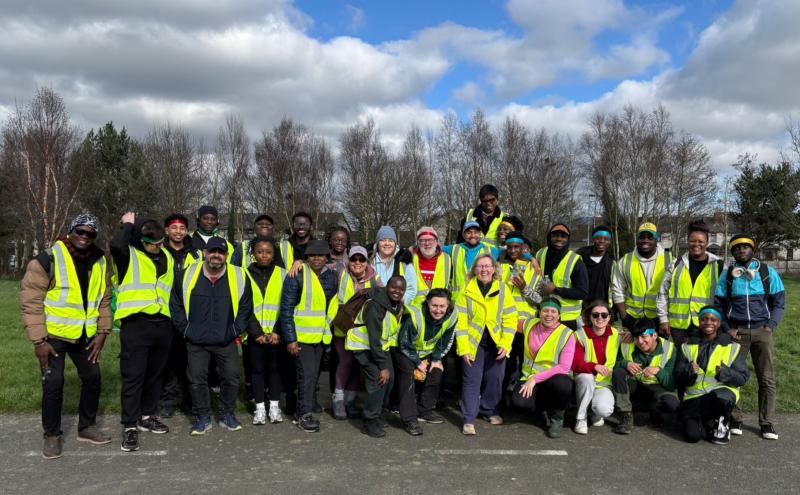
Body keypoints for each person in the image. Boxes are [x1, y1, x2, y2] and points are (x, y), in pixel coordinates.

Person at [20, 213, 112, 459]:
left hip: (85, 335)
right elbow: (31, 303)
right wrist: (39, 341)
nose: (84, 237)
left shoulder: (100, 261)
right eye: (80, 231)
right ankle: (52, 435)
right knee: (53, 383)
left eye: (90, 234)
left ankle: (87, 427)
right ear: (70, 231)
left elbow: (104, 299)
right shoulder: (47, 259)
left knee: (93, 378)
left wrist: (103, 332)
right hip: (53, 336)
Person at [170, 237, 253, 435]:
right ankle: (202, 417)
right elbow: (176, 304)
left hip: (226, 339)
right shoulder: (187, 274)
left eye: (221, 252)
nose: (216, 255)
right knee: (197, 380)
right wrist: (186, 329)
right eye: (212, 251)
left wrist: (235, 331)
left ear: (226, 255)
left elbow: (246, 307)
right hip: (196, 340)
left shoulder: (239, 275)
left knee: (231, 377)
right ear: (205, 253)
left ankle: (227, 414)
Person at [111, 212, 174, 452]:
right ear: (140, 240)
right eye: (149, 243)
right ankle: (129, 426)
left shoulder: (166, 256)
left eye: (158, 243)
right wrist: (128, 225)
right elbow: (116, 244)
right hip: (136, 324)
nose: (155, 247)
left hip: (163, 324)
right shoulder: (129, 256)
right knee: (133, 375)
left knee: (155, 375)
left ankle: (147, 417)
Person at [715, 234, 785, 440]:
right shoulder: (728, 275)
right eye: (737, 248)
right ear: (733, 252)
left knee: (767, 379)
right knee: (731, 375)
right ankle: (735, 418)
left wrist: (771, 326)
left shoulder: (766, 272)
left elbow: (779, 302)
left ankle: (767, 423)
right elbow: (719, 304)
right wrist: (727, 328)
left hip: (762, 331)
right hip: (737, 333)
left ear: (752, 250)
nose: (741, 250)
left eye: (745, 247)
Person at [279, 240, 339, 433]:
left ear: (327, 258)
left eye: (321, 255)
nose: (316, 258)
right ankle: (302, 415)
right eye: (312, 255)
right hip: (301, 338)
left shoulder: (332, 276)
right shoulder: (295, 275)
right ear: (306, 258)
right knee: (307, 375)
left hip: (320, 338)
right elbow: (286, 309)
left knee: (314, 375)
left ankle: (308, 404)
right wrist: (290, 339)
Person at [456, 254, 518, 435]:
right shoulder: (466, 290)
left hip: (496, 343)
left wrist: (506, 343)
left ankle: (489, 409)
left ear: (494, 269)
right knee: (471, 380)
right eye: (480, 266)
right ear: (474, 270)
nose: (484, 270)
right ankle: (468, 418)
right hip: (474, 343)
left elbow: (510, 318)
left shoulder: (503, 289)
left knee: (495, 379)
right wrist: (464, 348)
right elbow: (460, 323)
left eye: (487, 266)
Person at [675, 306, 749, 445]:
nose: (708, 322)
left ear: (719, 323)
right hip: (694, 398)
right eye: (704, 319)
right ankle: (707, 423)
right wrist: (689, 372)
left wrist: (725, 372)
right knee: (693, 436)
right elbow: (678, 376)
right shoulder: (687, 346)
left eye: (713, 320)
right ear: (699, 322)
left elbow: (743, 378)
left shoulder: (732, 347)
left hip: (719, 396)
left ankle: (722, 423)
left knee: (721, 396)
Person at [347, 277, 407, 437]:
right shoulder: (375, 305)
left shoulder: (397, 305)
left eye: (401, 289)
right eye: (394, 287)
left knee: (391, 379)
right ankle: (369, 420)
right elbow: (373, 338)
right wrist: (383, 366)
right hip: (364, 346)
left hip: (380, 348)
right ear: (387, 287)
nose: (397, 291)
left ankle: (378, 413)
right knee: (378, 380)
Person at [395, 288, 458, 435]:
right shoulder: (415, 316)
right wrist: (418, 362)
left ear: (448, 306)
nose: (438, 310)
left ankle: (425, 410)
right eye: (434, 305)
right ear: (428, 303)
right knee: (408, 375)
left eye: (442, 306)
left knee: (437, 371)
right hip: (405, 350)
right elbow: (403, 343)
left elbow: (446, 339)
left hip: (427, 352)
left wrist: (436, 359)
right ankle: (409, 419)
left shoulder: (453, 316)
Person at [512, 298, 575, 438]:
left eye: (553, 311)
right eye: (545, 310)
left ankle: (557, 418)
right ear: (539, 312)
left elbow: (564, 367)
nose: (549, 314)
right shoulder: (529, 324)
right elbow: (509, 321)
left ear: (559, 315)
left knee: (563, 385)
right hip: (530, 377)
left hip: (553, 378)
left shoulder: (567, 334)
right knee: (519, 403)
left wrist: (535, 378)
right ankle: (541, 409)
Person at [331, 246, 381, 420]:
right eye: (354, 259)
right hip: (342, 329)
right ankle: (338, 400)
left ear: (367, 261)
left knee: (356, 364)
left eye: (361, 259)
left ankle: (350, 402)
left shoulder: (375, 280)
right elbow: (317, 266)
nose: (357, 263)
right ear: (348, 261)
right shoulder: (339, 272)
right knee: (345, 361)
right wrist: (300, 262)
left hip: (361, 332)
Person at [657, 220, 723, 345]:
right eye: (693, 241)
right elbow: (662, 293)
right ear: (687, 241)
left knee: (703, 361)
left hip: (706, 324)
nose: (696, 244)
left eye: (700, 241)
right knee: (681, 360)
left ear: (707, 243)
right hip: (679, 326)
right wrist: (663, 320)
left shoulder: (718, 265)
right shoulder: (675, 264)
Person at [245, 237, 287, 425]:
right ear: (253, 253)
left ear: (274, 254)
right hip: (255, 336)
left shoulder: (283, 274)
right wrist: (256, 333)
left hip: (277, 334)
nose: (264, 255)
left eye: (268, 252)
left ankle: (275, 407)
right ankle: (260, 408)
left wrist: (278, 331)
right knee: (257, 370)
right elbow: (243, 306)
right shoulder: (244, 274)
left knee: (276, 370)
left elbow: (287, 306)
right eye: (260, 251)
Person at [160, 213, 198, 418]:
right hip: (164, 313)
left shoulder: (195, 254)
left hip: (188, 313)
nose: (178, 232)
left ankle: (189, 401)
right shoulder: (159, 251)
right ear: (167, 230)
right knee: (167, 360)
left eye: (182, 228)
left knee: (189, 359)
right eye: (174, 228)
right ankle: (168, 400)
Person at [612, 319, 679, 435]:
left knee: (672, 403)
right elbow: (614, 364)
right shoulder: (627, 344)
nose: (640, 341)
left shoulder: (670, 349)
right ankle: (625, 414)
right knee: (619, 372)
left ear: (654, 335)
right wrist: (626, 364)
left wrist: (659, 371)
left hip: (658, 387)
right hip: (636, 384)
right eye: (636, 337)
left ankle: (655, 412)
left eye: (644, 337)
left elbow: (671, 384)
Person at [611, 223, 673, 332]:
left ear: (656, 240)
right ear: (637, 239)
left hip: (659, 319)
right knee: (630, 349)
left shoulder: (670, 260)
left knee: (659, 349)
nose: (645, 240)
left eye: (650, 237)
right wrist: (624, 317)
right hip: (632, 318)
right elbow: (617, 290)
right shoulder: (625, 261)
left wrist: (665, 319)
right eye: (642, 237)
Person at [571, 300, 619, 435]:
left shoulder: (616, 334)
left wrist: (631, 335)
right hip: (584, 378)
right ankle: (581, 418)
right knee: (586, 378)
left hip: (604, 383)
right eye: (595, 315)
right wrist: (594, 366)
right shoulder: (579, 334)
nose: (600, 318)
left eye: (604, 315)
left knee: (604, 410)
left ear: (609, 317)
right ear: (589, 317)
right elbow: (575, 363)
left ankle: (594, 412)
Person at [536, 223, 588, 330]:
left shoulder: (575, 261)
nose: (559, 239)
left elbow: (582, 293)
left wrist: (556, 289)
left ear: (568, 239)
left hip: (566, 320)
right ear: (549, 237)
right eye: (555, 235)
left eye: (563, 236)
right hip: (544, 315)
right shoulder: (540, 254)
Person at [443, 221, 500, 302]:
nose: (472, 235)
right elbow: (434, 248)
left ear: (480, 234)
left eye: (476, 232)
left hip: (479, 298)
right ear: (463, 235)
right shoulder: (453, 249)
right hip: (457, 299)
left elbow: (512, 252)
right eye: (469, 233)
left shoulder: (491, 251)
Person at [370, 225, 418, 306]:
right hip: (374, 309)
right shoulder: (370, 262)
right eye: (383, 240)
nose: (387, 243)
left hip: (396, 310)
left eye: (391, 240)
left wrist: (398, 305)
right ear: (378, 243)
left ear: (395, 243)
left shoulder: (404, 261)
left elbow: (412, 290)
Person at [410, 226, 452, 306]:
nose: (427, 243)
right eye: (422, 240)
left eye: (430, 240)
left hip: (438, 309)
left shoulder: (447, 259)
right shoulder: (410, 258)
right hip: (415, 309)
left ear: (436, 242)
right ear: (418, 243)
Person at [577, 226, 615, 308]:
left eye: (606, 239)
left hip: (602, 310)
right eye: (598, 238)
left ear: (610, 242)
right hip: (581, 309)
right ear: (593, 239)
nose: (602, 241)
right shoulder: (579, 259)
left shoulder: (612, 263)